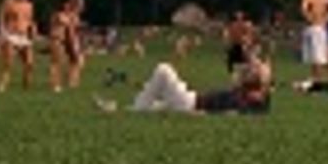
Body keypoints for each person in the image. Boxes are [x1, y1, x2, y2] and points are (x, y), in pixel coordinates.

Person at [106, 57, 273, 115]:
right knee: (155, 106)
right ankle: (124, 110)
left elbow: (231, 114)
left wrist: (202, 114)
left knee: (163, 69)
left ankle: (135, 111)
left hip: (190, 104)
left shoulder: (247, 100)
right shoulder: (248, 95)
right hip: (191, 99)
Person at [0, 0, 36, 91]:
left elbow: (29, 20)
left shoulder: (29, 5)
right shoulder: (9, 2)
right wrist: (2, 31)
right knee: (8, 64)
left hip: (24, 36)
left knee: (29, 63)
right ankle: (1, 87)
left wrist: (33, 28)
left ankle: (26, 87)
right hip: (11, 35)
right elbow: (1, 17)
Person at [299, 0, 328, 89]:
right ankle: (315, 78)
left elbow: (303, 10)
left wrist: (311, 19)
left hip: (313, 28)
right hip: (320, 28)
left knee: (316, 55)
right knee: (316, 55)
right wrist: (326, 20)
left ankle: (317, 79)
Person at [48, 0, 85, 92]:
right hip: (57, 39)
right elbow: (67, 26)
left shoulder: (70, 15)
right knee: (56, 63)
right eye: (67, 4)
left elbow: (72, 28)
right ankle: (55, 84)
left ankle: (71, 83)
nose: (69, 6)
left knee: (73, 62)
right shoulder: (59, 15)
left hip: (64, 40)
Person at [224, 11, 257, 76]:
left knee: (247, 59)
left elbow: (250, 36)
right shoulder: (233, 25)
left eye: (240, 18)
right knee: (231, 59)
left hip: (245, 45)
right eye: (237, 18)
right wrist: (227, 38)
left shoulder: (247, 25)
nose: (239, 20)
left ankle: (251, 73)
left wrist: (247, 42)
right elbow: (228, 33)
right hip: (237, 45)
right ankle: (234, 73)